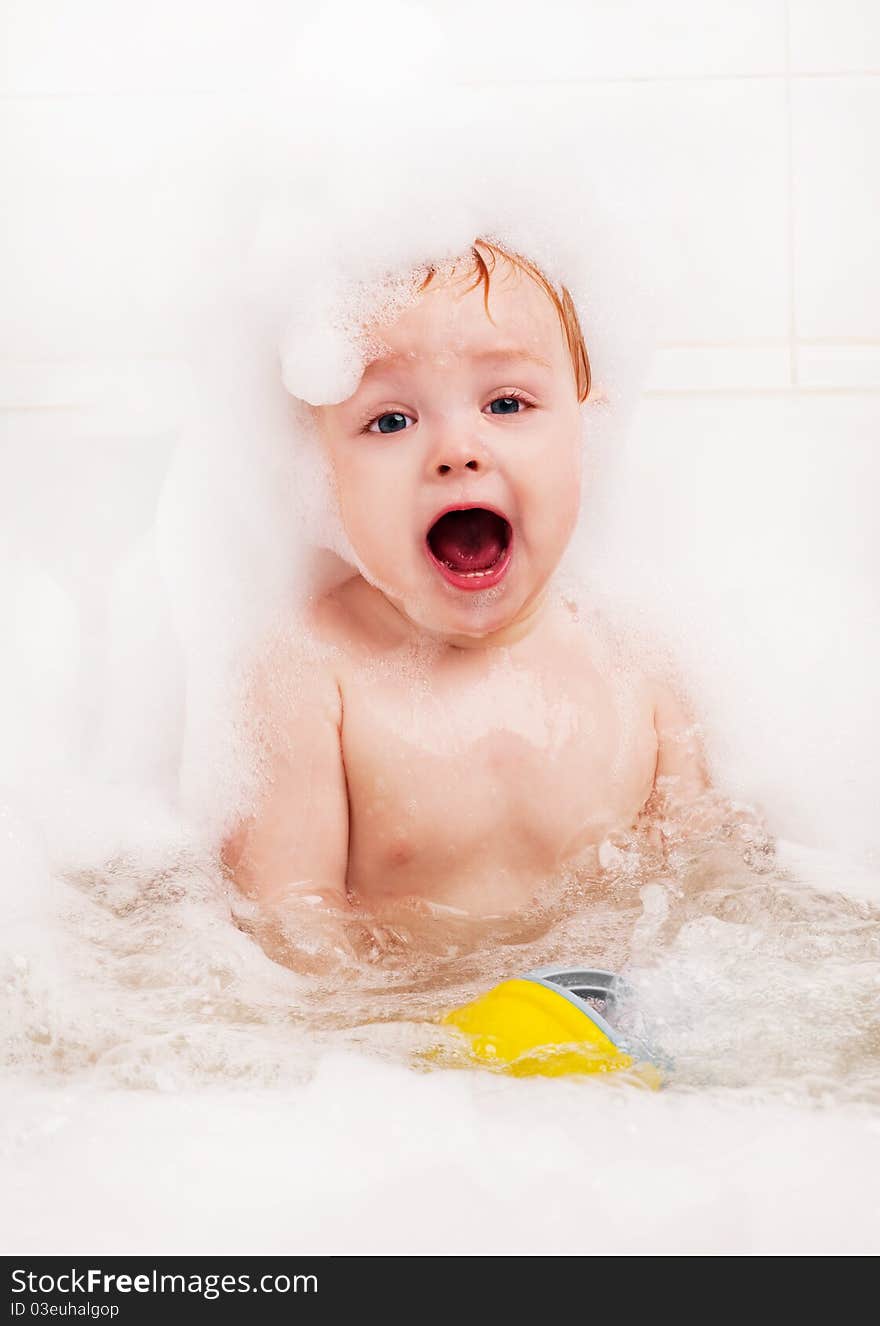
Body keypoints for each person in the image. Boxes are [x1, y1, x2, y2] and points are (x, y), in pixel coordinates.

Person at [222, 239, 764, 971]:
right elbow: (288, 928)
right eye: (390, 421)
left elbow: (706, 885)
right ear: (322, 471)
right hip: (397, 1061)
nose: (458, 450)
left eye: (506, 403)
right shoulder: (314, 674)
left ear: (586, 433)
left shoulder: (638, 663)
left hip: (604, 1036)